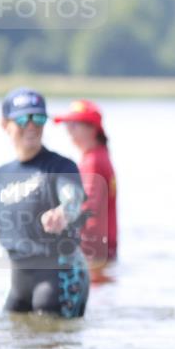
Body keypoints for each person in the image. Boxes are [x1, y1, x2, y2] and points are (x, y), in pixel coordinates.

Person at [0, 88, 89, 317]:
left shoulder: (61, 167)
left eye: (38, 118)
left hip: (60, 276)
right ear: (4, 124)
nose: (31, 125)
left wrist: (63, 213)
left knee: (57, 345)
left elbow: (73, 198)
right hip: (19, 281)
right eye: (23, 118)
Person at [54, 99, 118, 282]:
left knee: (92, 300)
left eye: (74, 125)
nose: (68, 132)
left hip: (92, 253)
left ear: (92, 129)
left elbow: (86, 209)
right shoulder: (100, 155)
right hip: (103, 251)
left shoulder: (93, 161)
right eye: (67, 126)